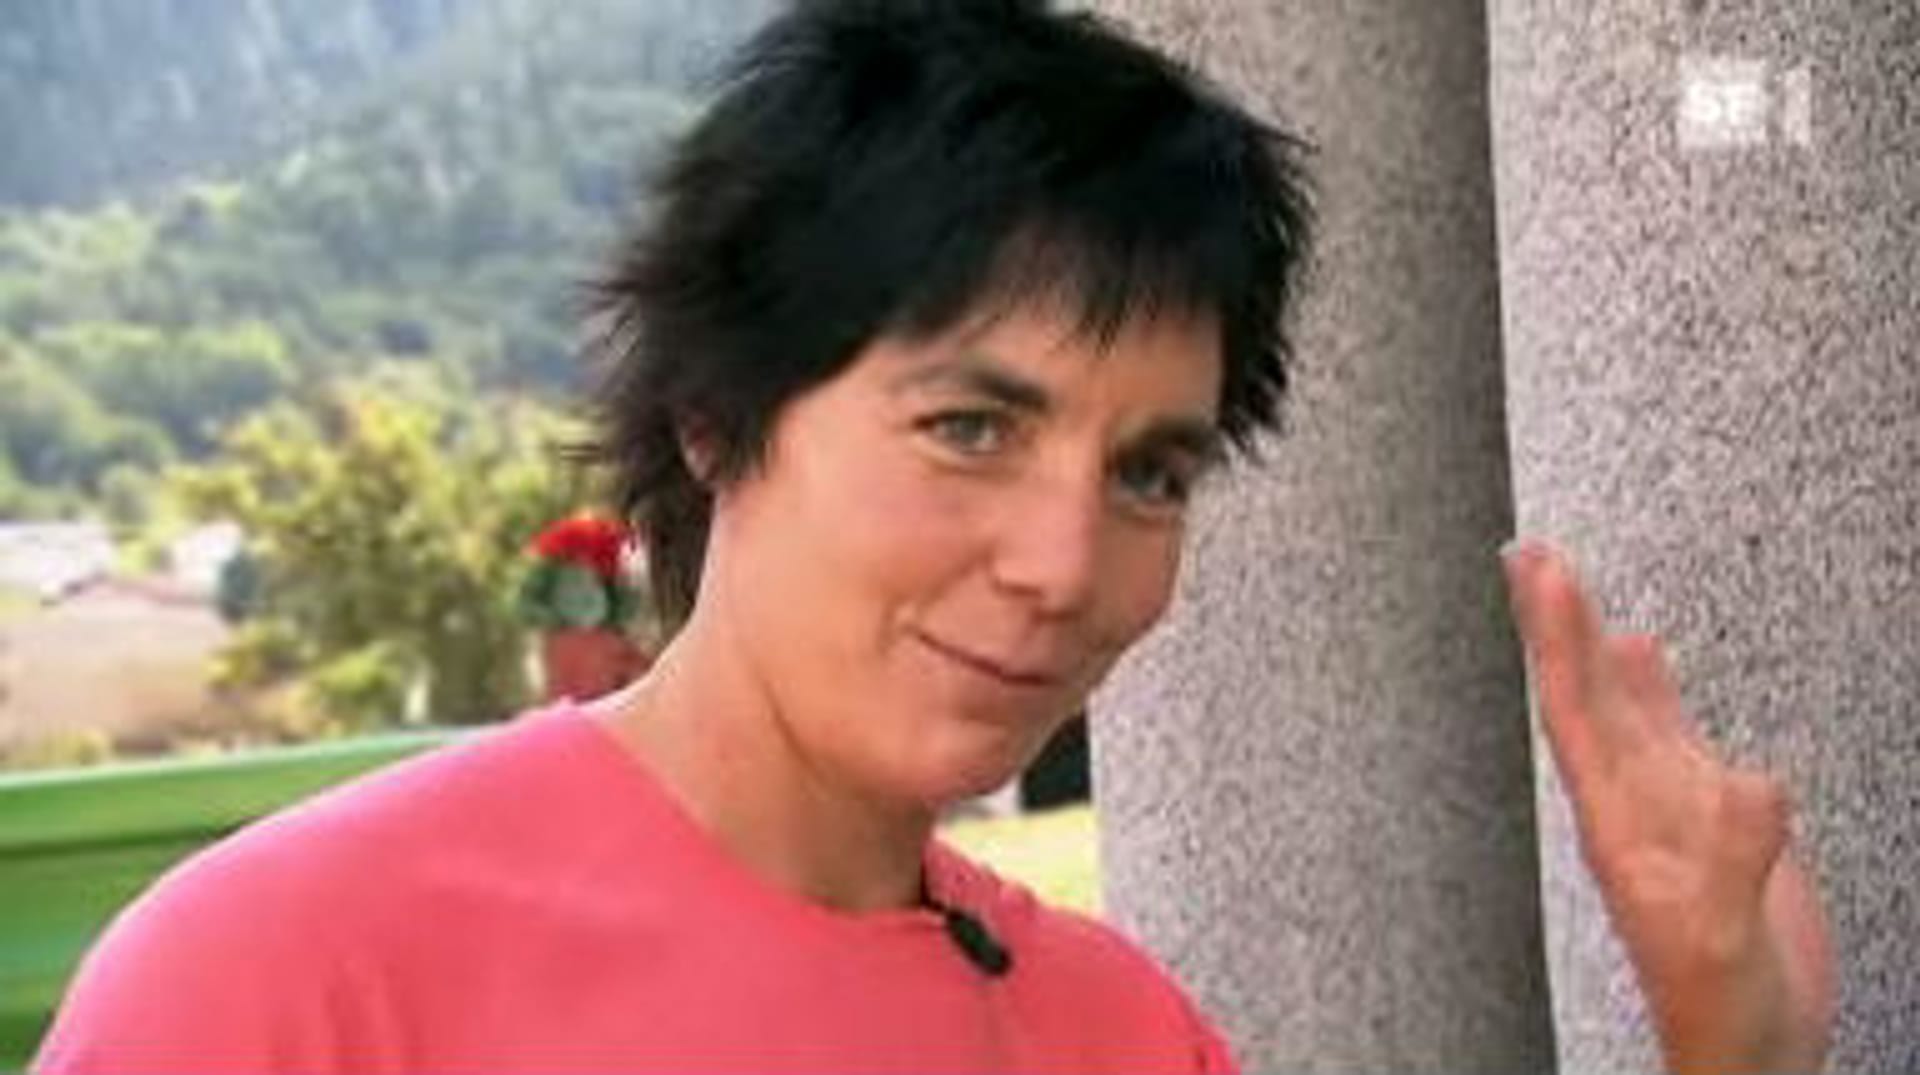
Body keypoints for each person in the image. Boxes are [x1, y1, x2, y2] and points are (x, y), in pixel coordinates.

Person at [34, 1, 1832, 1072]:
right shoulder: (289, 980)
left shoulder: (1121, 1036)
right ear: (720, 412)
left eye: (1150, 472)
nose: (1064, 564)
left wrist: (1728, 1051)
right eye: (971, 428)